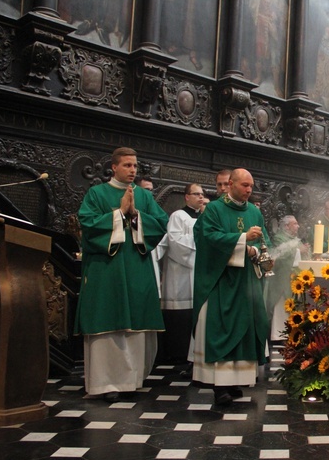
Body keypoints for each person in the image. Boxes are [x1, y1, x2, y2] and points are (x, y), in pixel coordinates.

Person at [75, 147, 168, 402]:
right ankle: (106, 383)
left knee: (135, 326)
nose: (132, 170)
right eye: (127, 165)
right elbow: (88, 225)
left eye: (135, 166)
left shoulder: (144, 197)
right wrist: (118, 214)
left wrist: (135, 214)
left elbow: (160, 223)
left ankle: (132, 379)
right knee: (108, 323)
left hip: (136, 267)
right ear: (113, 167)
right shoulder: (97, 193)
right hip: (107, 271)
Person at [192, 168, 271, 405]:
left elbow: (265, 241)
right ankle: (220, 386)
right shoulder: (215, 209)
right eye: (244, 185)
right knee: (223, 327)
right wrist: (242, 240)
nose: (249, 190)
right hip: (223, 280)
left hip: (246, 281)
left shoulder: (254, 212)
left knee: (245, 328)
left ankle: (236, 380)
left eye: (251, 186)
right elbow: (207, 239)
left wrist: (256, 249)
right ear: (230, 184)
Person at [159, 183, 206, 365]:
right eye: (196, 194)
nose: (200, 197)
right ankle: (178, 354)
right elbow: (175, 242)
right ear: (186, 196)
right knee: (181, 317)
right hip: (181, 274)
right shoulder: (179, 216)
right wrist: (200, 244)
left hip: (197, 271)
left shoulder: (204, 217)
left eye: (202, 194)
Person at [265, 215, 307, 344]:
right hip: (282, 279)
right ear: (287, 226)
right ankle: (279, 336)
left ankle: (293, 334)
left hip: (294, 279)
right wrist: (298, 250)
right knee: (281, 308)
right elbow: (279, 256)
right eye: (295, 224)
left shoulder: (295, 239)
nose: (298, 226)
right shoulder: (279, 238)